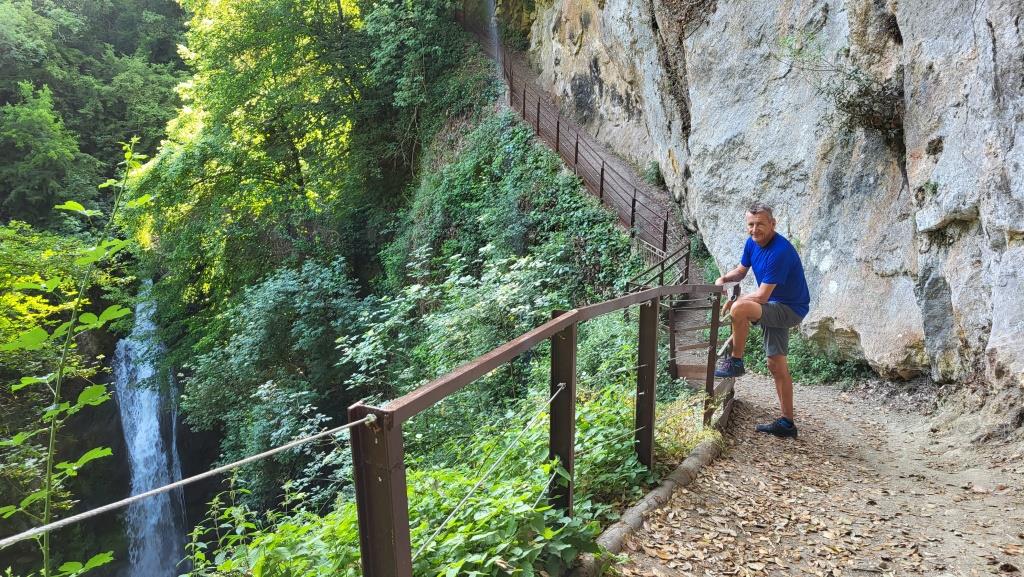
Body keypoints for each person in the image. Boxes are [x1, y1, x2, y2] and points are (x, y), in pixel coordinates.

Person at [713, 202, 809, 438]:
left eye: (760, 224)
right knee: (776, 364)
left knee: (740, 309)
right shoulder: (752, 243)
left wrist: (736, 301)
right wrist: (723, 279)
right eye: (751, 224)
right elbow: (741, 271)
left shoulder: (780, 252)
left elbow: (763, 295)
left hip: (790, 308)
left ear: (772, 224)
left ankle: (736, 361)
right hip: (774, 305)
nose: (754, 229)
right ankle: (787, 424)